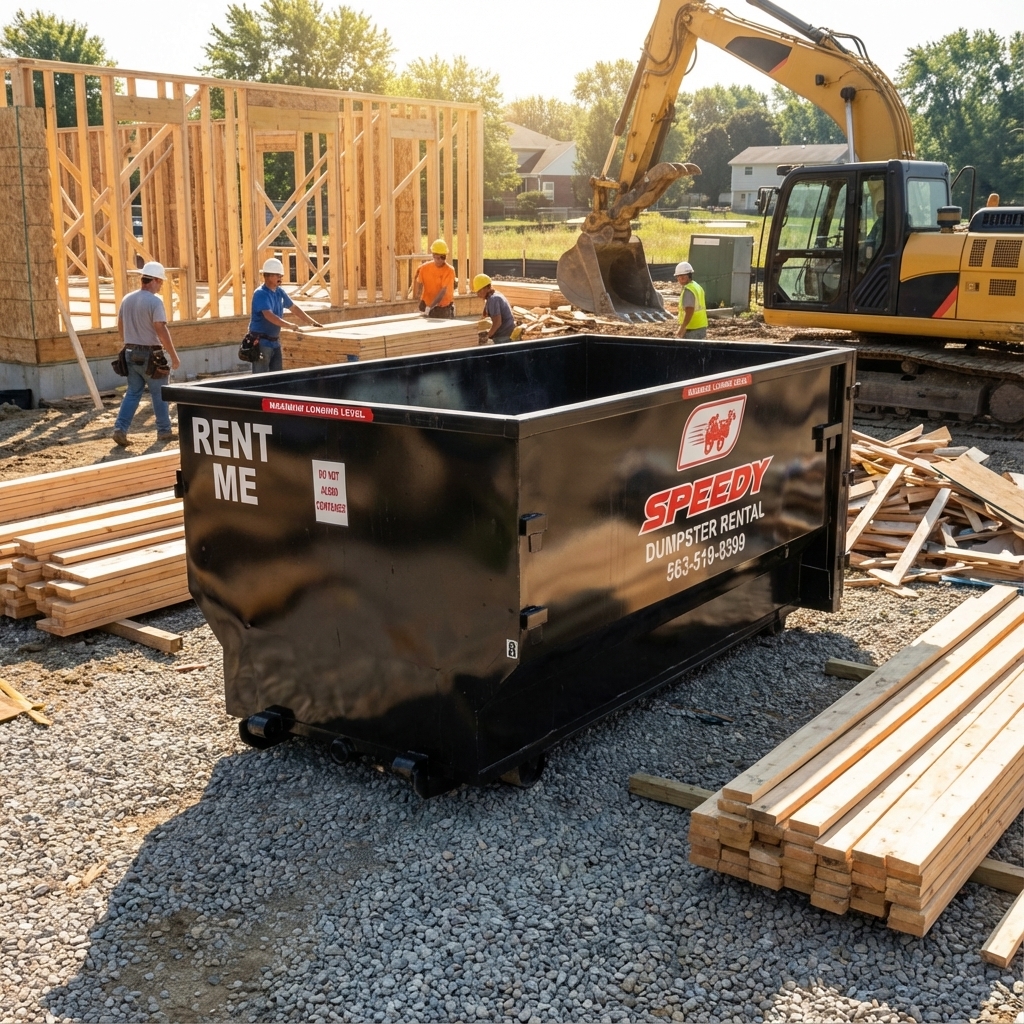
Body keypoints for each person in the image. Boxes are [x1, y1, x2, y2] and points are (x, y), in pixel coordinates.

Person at [112, 261, 181, 446]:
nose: (161, 286)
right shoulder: (155, 302)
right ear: (155, 280)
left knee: (133, 393)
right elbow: (160, 328)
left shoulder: (127, 299)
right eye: (161, 282)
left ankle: (120, 429)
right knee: (160, 393)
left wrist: (128, 342)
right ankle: (164, 431)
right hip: (151, 355)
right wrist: (173, 355)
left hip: (130, 352)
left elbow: (120, 324)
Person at [249, 257, 322, 373]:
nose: (280, 278)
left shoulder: (279, 292)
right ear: (268, 276)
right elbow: (269, 316)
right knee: (260, 378)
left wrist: (311, 322)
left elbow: (293, 308)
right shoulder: (260, 294)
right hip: (261, 344)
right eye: (277, 275)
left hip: (274, 342)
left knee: (278, 376)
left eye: (281, 276)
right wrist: (289, 325)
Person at [414, 240, 456, 319]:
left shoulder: (449, 270)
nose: (441, 260)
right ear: (433, 255)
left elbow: (443, 291)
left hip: (444, 308)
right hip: (426, 304)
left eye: (443, 257)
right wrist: (419, 301)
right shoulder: (424, 268)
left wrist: (430, 306)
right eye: (439, 258)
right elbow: (418, 284)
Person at [473, 274, 515, 343]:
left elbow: (497, 322)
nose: (478, 294)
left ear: (486, 288)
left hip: (503, 336)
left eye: (479, 291)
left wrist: (488, 336)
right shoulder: (494, 295)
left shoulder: (493, 299)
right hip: (506, 332)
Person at [674, 261, 708, 340]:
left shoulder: (689, 290)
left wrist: (682, 327)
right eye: (678, 276)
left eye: (682, 276)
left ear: (688, 276)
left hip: (692, 329)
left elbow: (689, 310)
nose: (680, 279)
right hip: (701, 327)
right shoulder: (696, 286)